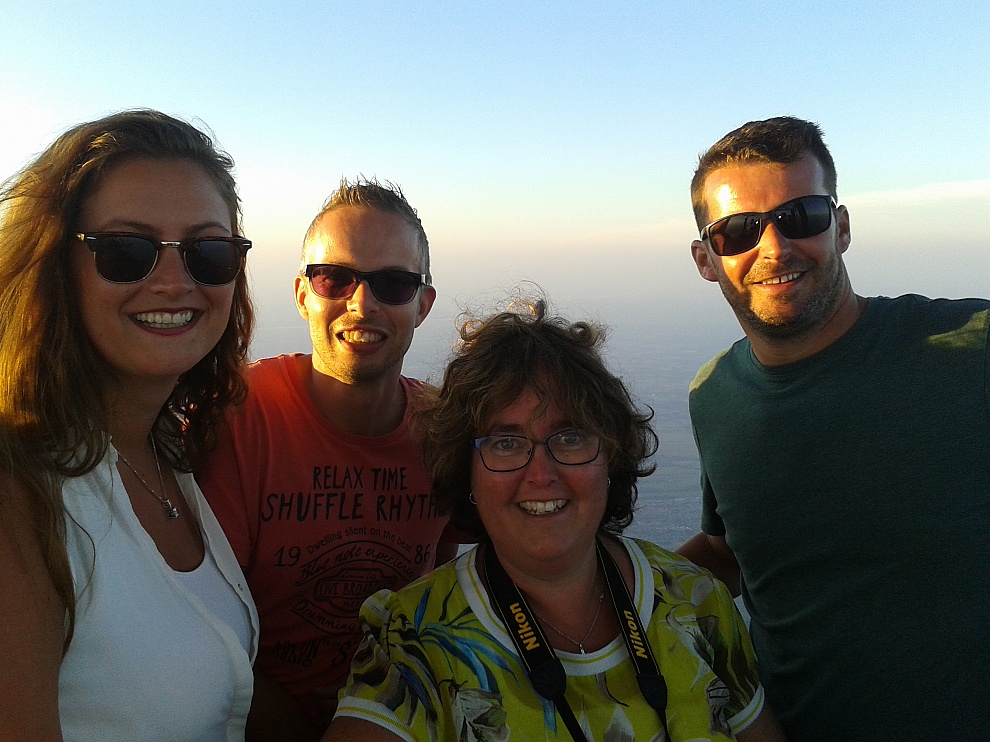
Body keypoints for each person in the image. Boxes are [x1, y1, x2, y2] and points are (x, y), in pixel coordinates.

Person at [325, 299, 785, 741]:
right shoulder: (413, 642)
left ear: (610, 456)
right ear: (467, 473)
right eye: (506, 443)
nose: (541, 475)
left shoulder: (697, 602)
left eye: (569, 437)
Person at [679, 115, 990, 740]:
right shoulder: (714, 394)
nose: (774, 248)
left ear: (841, 228)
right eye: (738, 231)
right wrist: (593, 585)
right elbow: (729, 551)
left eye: (801, 216)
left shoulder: (969, 348)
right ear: (706, 259)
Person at [0, 110, 259, 740]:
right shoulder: (18, 494)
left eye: (208, 251)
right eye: (126, 250)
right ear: (55, 267)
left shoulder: (168, 448)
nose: (173, 282)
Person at [199, 178, 457, 739]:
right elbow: (200, 630)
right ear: (302, 293)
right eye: (334, 278)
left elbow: (449, 588)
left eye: (393, 283)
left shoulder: (445, 432)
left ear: (423, 304)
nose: (361, 304)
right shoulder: (237, 420)